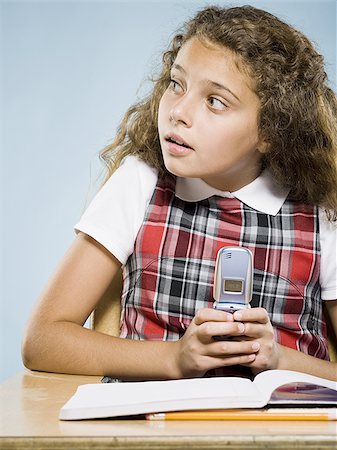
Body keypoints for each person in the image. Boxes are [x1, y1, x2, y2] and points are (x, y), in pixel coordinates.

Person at [22, 5, 337, 381]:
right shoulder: (139, 184)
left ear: (272, 131)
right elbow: (42, 340)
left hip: (283, 433)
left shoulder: (321, 214)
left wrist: (278, 359)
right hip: (153, 428)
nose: (178, 112)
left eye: (215, 101)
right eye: (177, 84)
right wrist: (174, 359)